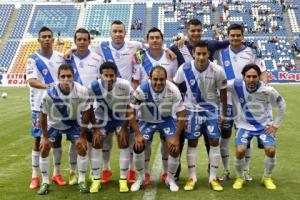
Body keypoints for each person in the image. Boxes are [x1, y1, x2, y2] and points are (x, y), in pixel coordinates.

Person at [214, 23, 267, 182]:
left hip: (246, 102)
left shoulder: (252, 51)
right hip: (226, 101)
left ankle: (245, 171)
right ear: (228, 36)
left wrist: (264, 88)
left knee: (246, 136)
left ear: (243, 36)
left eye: (238, 35)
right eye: (232, 35)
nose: (235, 38)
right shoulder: (219, 52)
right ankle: (227, 170)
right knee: (225, 135)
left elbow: (262, 71)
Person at [173, 40, 227, 191]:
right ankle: (192, 177)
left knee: (214, 140)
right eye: (198, 54)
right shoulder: (184, 68)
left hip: (212, 110)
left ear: (209, 54)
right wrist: (177, 107)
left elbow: (223, 92)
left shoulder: (217, 70)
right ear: (193, 54)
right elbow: (175, 85)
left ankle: (213, 177)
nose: (201, 57)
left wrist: (223, 114)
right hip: (191, 110)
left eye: (204, 54)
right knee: (192, 142)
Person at [228, 64, 286, 190]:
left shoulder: (268, 90)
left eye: (254, 76)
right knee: (240, 151)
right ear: (243, 77)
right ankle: (240, 177)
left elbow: (282, 105)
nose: (251, 79)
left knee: (271, 150)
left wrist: (275, 126)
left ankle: (267, 177)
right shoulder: (236, 85)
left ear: (259, 77)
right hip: (244, 125)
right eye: (248, 76)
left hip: (264, 126)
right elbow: (219, 84)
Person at [132, 27, 178, 185]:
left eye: (158, 37)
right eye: (151, 37)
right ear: (147, 40)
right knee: (143, 144)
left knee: (169, 144)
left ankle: (168, 175)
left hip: (166, 108)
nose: (155, 40)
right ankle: (143, 176)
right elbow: (136, 80)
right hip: (146, 108)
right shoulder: (140, 57)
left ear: (162, 39)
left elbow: (174, 80)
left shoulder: (171, 57)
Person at [128, 66, 186, 192]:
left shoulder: (173, 89)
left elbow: (182, 116)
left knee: (175, 148)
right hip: (147, 121)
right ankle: (140, 178)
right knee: (138, 146)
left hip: (166, 121)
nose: (158, 82)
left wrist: (176, 138)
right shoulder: (141, 89)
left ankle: (170, 179)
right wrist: (137, 134)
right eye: (155, 79)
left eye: (161, 79)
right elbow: (130, 112)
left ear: (166, 79)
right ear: (150, 78)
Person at [38, 64, 91, 194]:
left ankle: (81, 180)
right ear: (58, 77)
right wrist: (44, 137)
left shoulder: (81, 90)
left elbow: (86, 112)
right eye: (63, 76)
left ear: (73, 77)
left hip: (73, 123)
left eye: (69, 76)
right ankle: (45, 182)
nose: (66, 79)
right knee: (44, 148)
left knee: (81, 146)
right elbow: (43, 115)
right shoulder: (49, 94)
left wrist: (83, 136)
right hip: (53, 124)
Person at [26, 27, 66, 190]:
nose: (47, 39)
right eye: (44, 37)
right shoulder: (33, 59)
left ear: (53, 39)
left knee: (56, 139)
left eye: (50, 36)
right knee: (38, 141)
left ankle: (56, 173)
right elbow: (32, 81)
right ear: (39, 40)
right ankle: (35, 176)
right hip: (38, 106)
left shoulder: (60, 57)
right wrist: (48, 86)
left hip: (57, 105)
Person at [88, 61, 133, 192]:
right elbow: (89, 107)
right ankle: (96, 180)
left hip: (120, 119)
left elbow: (131, 106)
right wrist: (96, 129)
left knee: (123, 142)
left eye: (111, 75)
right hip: (102, 119)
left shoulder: (125, 85)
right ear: (100, 75)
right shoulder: (94, 86)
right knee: (96, 143)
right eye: (105, 75)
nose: (108, 78)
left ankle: (123, 180)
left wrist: (124, 128)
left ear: (116, 74)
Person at [66, 28, 103, 185]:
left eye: (84, 39)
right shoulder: (67, 58)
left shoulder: (97, 58)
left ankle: (94, 173)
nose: (81, 42)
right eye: (78, 39)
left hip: (93, 106)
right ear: (75, 41)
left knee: (92, 139)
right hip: (73, 106)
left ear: (89, 41)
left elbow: (100, 82)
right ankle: (73, 172)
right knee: (75, 140)